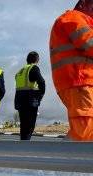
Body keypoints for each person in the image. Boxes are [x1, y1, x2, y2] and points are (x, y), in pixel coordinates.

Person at [50, 0, 93, 141]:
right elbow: (89, 43)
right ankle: (60, 161)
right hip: (80, 82)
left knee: (86, 132)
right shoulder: (73, 17)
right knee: (84, 133)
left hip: (80, 82)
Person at [15, 51, 45, 140]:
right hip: (30, 101)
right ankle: (25, 147)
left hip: (20, 101)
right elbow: (42, 82)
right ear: (37, 60)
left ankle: (23, 145)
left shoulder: (20, 71)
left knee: (23, 126)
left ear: (26, 60)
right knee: (29, 126)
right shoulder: (34, 68)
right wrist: (40, 97)